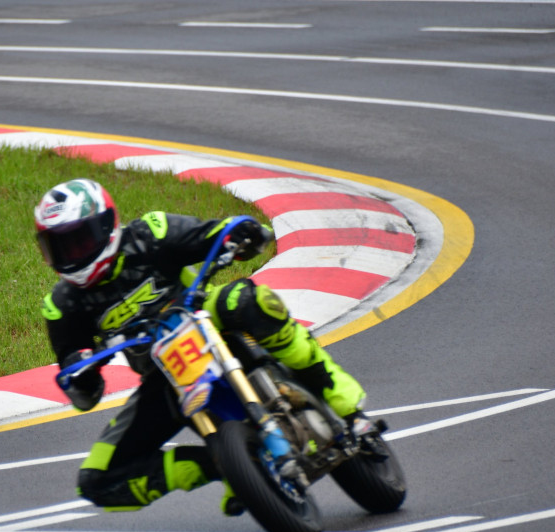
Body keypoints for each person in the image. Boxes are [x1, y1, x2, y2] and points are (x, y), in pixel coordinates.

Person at [35, 178, 371, 515]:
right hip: (163, 375)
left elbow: (212, 234)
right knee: (97, 480)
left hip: (205, 322)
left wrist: (237, 234)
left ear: (107, 225)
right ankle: (231, 468)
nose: (71, 253)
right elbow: (82, 390)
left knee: (242, 299)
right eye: (59, 246)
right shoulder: (62, 305)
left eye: (79, 240)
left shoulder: (151, 233)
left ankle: (338, 395)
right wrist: (81, 374)